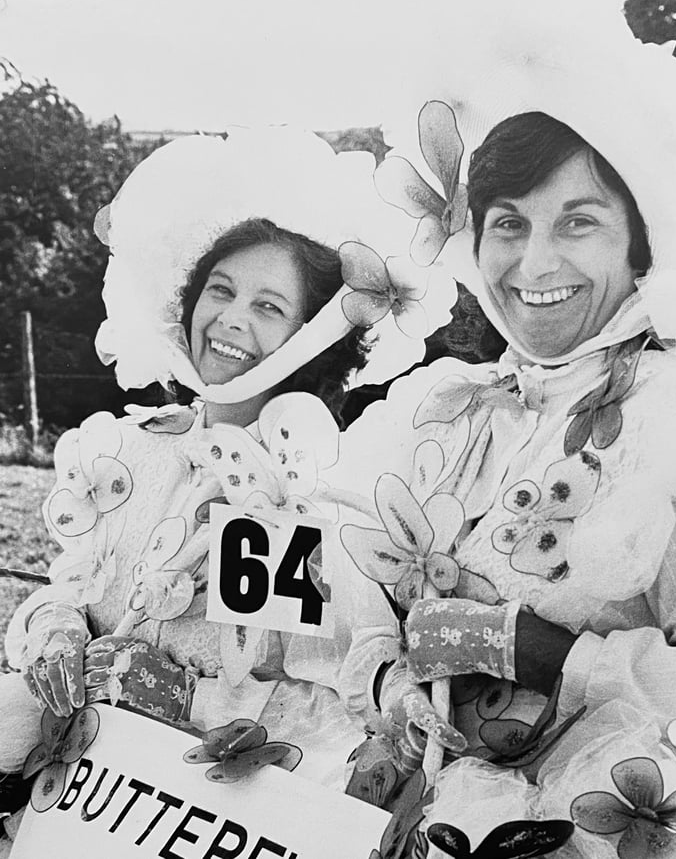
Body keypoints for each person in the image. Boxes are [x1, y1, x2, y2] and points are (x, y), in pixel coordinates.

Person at [336, 17, 676, 857]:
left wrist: (561, 658)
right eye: (509, 223)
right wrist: (390, 681)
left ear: (641, 246)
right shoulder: (439, 409)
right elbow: (353, 590)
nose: (533, 264)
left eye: (578, 222)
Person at [0, 124, 451, 819]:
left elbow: (321, 707)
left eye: (269, 306)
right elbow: (70, 590)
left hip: (176, 812)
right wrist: (56, 630)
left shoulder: (293, 504)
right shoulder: (131, 448)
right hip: (60, 793)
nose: (232, 319)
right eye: (221, 290)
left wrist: (179, 699)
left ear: (312, 337)